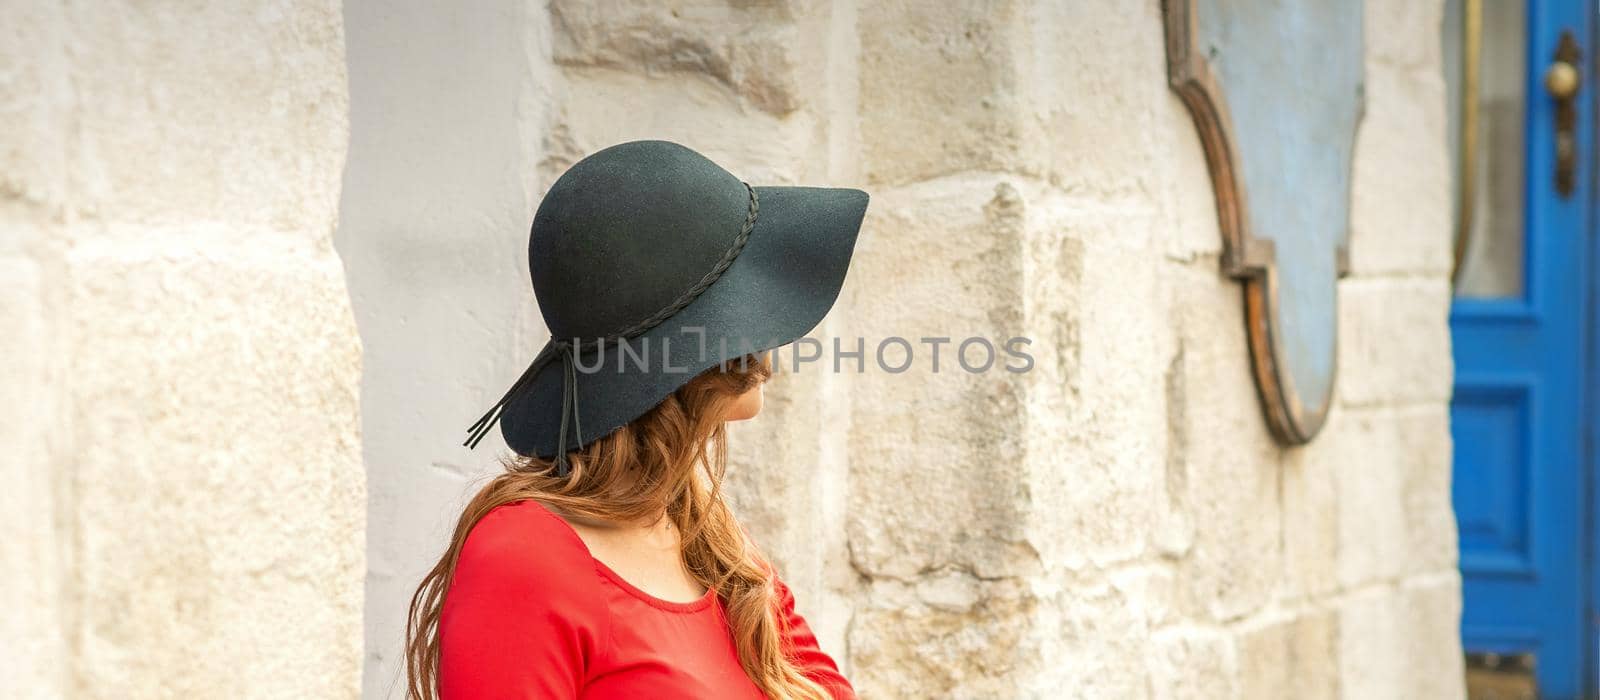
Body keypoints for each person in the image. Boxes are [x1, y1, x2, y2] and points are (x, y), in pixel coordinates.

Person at [403, 139, 870, 699]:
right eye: (751, 302)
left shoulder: (707, 539)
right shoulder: (523, 558)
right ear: (697, 358)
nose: (777, 334)